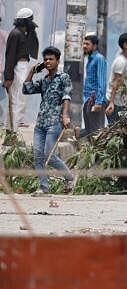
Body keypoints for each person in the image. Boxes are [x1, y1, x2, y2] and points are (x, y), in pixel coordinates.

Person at [22, 46, 74, 195]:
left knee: (48, 155)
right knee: (37, 155)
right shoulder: (44, 80)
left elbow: (66, 96)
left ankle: (69, 176)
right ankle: (43, 187)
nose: (48, 62)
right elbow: (27, 89)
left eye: (51, 59)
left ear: (58, 61)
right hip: (40, 123)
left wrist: (65, 115)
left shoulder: (63, 77)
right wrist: (32, 72)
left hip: (54, 122)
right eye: (45, 59)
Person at [4, 8, 39, 129]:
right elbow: (10, 56)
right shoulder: (15, 34)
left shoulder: (23, 33)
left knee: (17, 100)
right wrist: (8, 77)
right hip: (18, 68)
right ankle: (13, 132)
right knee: (19, 101)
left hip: (22, 67)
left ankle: (10, 130)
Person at [77, 34, 107, 138]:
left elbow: (102, 82)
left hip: (95, 101)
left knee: (95, 132)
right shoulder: (89, 59)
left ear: (94, 46)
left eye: (87, 44)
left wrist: (98, 102)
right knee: (90, 131)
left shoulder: (99, 59)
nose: (84, 46)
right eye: (84, 43)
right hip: (88, 100)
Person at [106, 32, 127, 124]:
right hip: (116, 103)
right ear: (125, 45)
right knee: (115, 133)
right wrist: (111, 103)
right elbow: (115, 82)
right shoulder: (121, 62)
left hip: (121, 103)